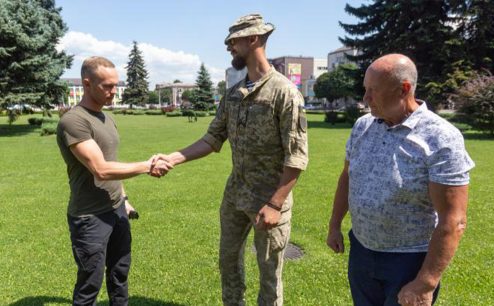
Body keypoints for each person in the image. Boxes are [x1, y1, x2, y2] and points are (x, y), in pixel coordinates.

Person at [157, 14, 308, 306]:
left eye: (233, 41)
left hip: (269, 201)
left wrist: (275, 204)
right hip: (235, 196)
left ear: (253, 39)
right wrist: (173, 158)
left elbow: (297, 156)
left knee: (270, 277)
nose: (228, 47)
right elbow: (212, 139)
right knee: (228, 264)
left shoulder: (285, 93)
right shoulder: (233, 95)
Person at [326, 53, 475, 306]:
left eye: (373, 91)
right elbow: (347, 178)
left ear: (403, 89)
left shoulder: (441, 137)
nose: (365, 98)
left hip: (408, 262)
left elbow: (454, 219)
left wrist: (425, 282)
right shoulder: (363, 126)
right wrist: (334, 224)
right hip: (362, 251)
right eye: (365, 89)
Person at [56, 56, 171, 305]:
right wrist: (147, 166)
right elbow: (101, 169)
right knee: (90, 284)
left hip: (116, 208)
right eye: (107, 86)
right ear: (87, 84)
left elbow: (112, 161)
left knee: (120, 274)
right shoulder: (74, 121)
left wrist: (125, 198)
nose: (113, 92)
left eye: (115, 85)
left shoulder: (106, 118)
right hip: (90, 217)